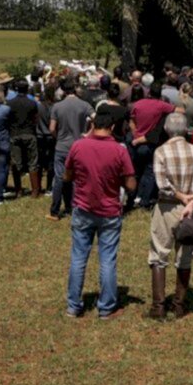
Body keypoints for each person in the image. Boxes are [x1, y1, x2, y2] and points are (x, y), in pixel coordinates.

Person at [63, 112, 136, 319]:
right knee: (107, 259)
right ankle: (106, 307)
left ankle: (73, 305)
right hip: (109, 211)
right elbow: (131, 184)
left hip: (83, 208)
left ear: (93, 124)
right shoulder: (119, 151)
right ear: (112, 127)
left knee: (78, 257)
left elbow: (66, 176)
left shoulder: (78, 146)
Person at [147, 113, 193, 320]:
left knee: (159, 254)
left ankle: (158, 307)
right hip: (191, 211)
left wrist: (182, 198)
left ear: (166, 129)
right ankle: (179, 305)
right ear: (186, 130)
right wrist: (192, 202)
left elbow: (163, 185)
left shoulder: (161, 152)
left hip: (167, 207)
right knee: (186, 254)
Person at [48, 78, 93, 221]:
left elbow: (52, 128)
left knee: (59, 178)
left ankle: (55, 210)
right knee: (76, 179)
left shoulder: (57, 106)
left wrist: (57, 137)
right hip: (78, 145)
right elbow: (96, 118)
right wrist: (88, 133)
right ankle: (75, 208)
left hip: (61, 146)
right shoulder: (84, 105)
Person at [128, 82, 174, 209]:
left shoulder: (138, 104)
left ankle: (133, 197)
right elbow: (177, 109)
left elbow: (131, 121)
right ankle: (145, 200)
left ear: (148, 93)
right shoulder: (162, 105)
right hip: (150, 143)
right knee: (150, 172)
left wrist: (135, 134)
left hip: (136, 142)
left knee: (136, 171)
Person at [7, 78, 40, 198]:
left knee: (16, 163)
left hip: (14, 134)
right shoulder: (32, 103)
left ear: (16, 89)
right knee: (33, 162)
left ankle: (18, 190)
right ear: (27, 89)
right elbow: (36, 119)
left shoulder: (10, 103)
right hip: (29, 133)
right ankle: (35, 191)